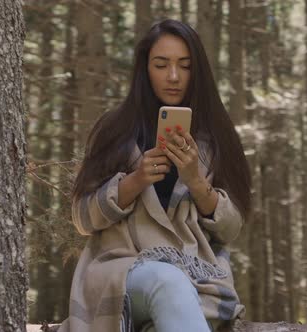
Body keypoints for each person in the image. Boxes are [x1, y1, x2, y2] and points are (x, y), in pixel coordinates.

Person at [58, 19, 252, 332]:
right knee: (165, 279)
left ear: (197, 71)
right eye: (161, 65)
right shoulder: (115, 130)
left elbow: (231, 229)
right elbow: (82, 218)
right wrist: (135, 181)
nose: (173, 76)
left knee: (172, 287)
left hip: (199, 279)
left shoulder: (217, 138)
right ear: (144, 69)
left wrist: (197, 183)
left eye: (184, 66)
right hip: (121, 275)